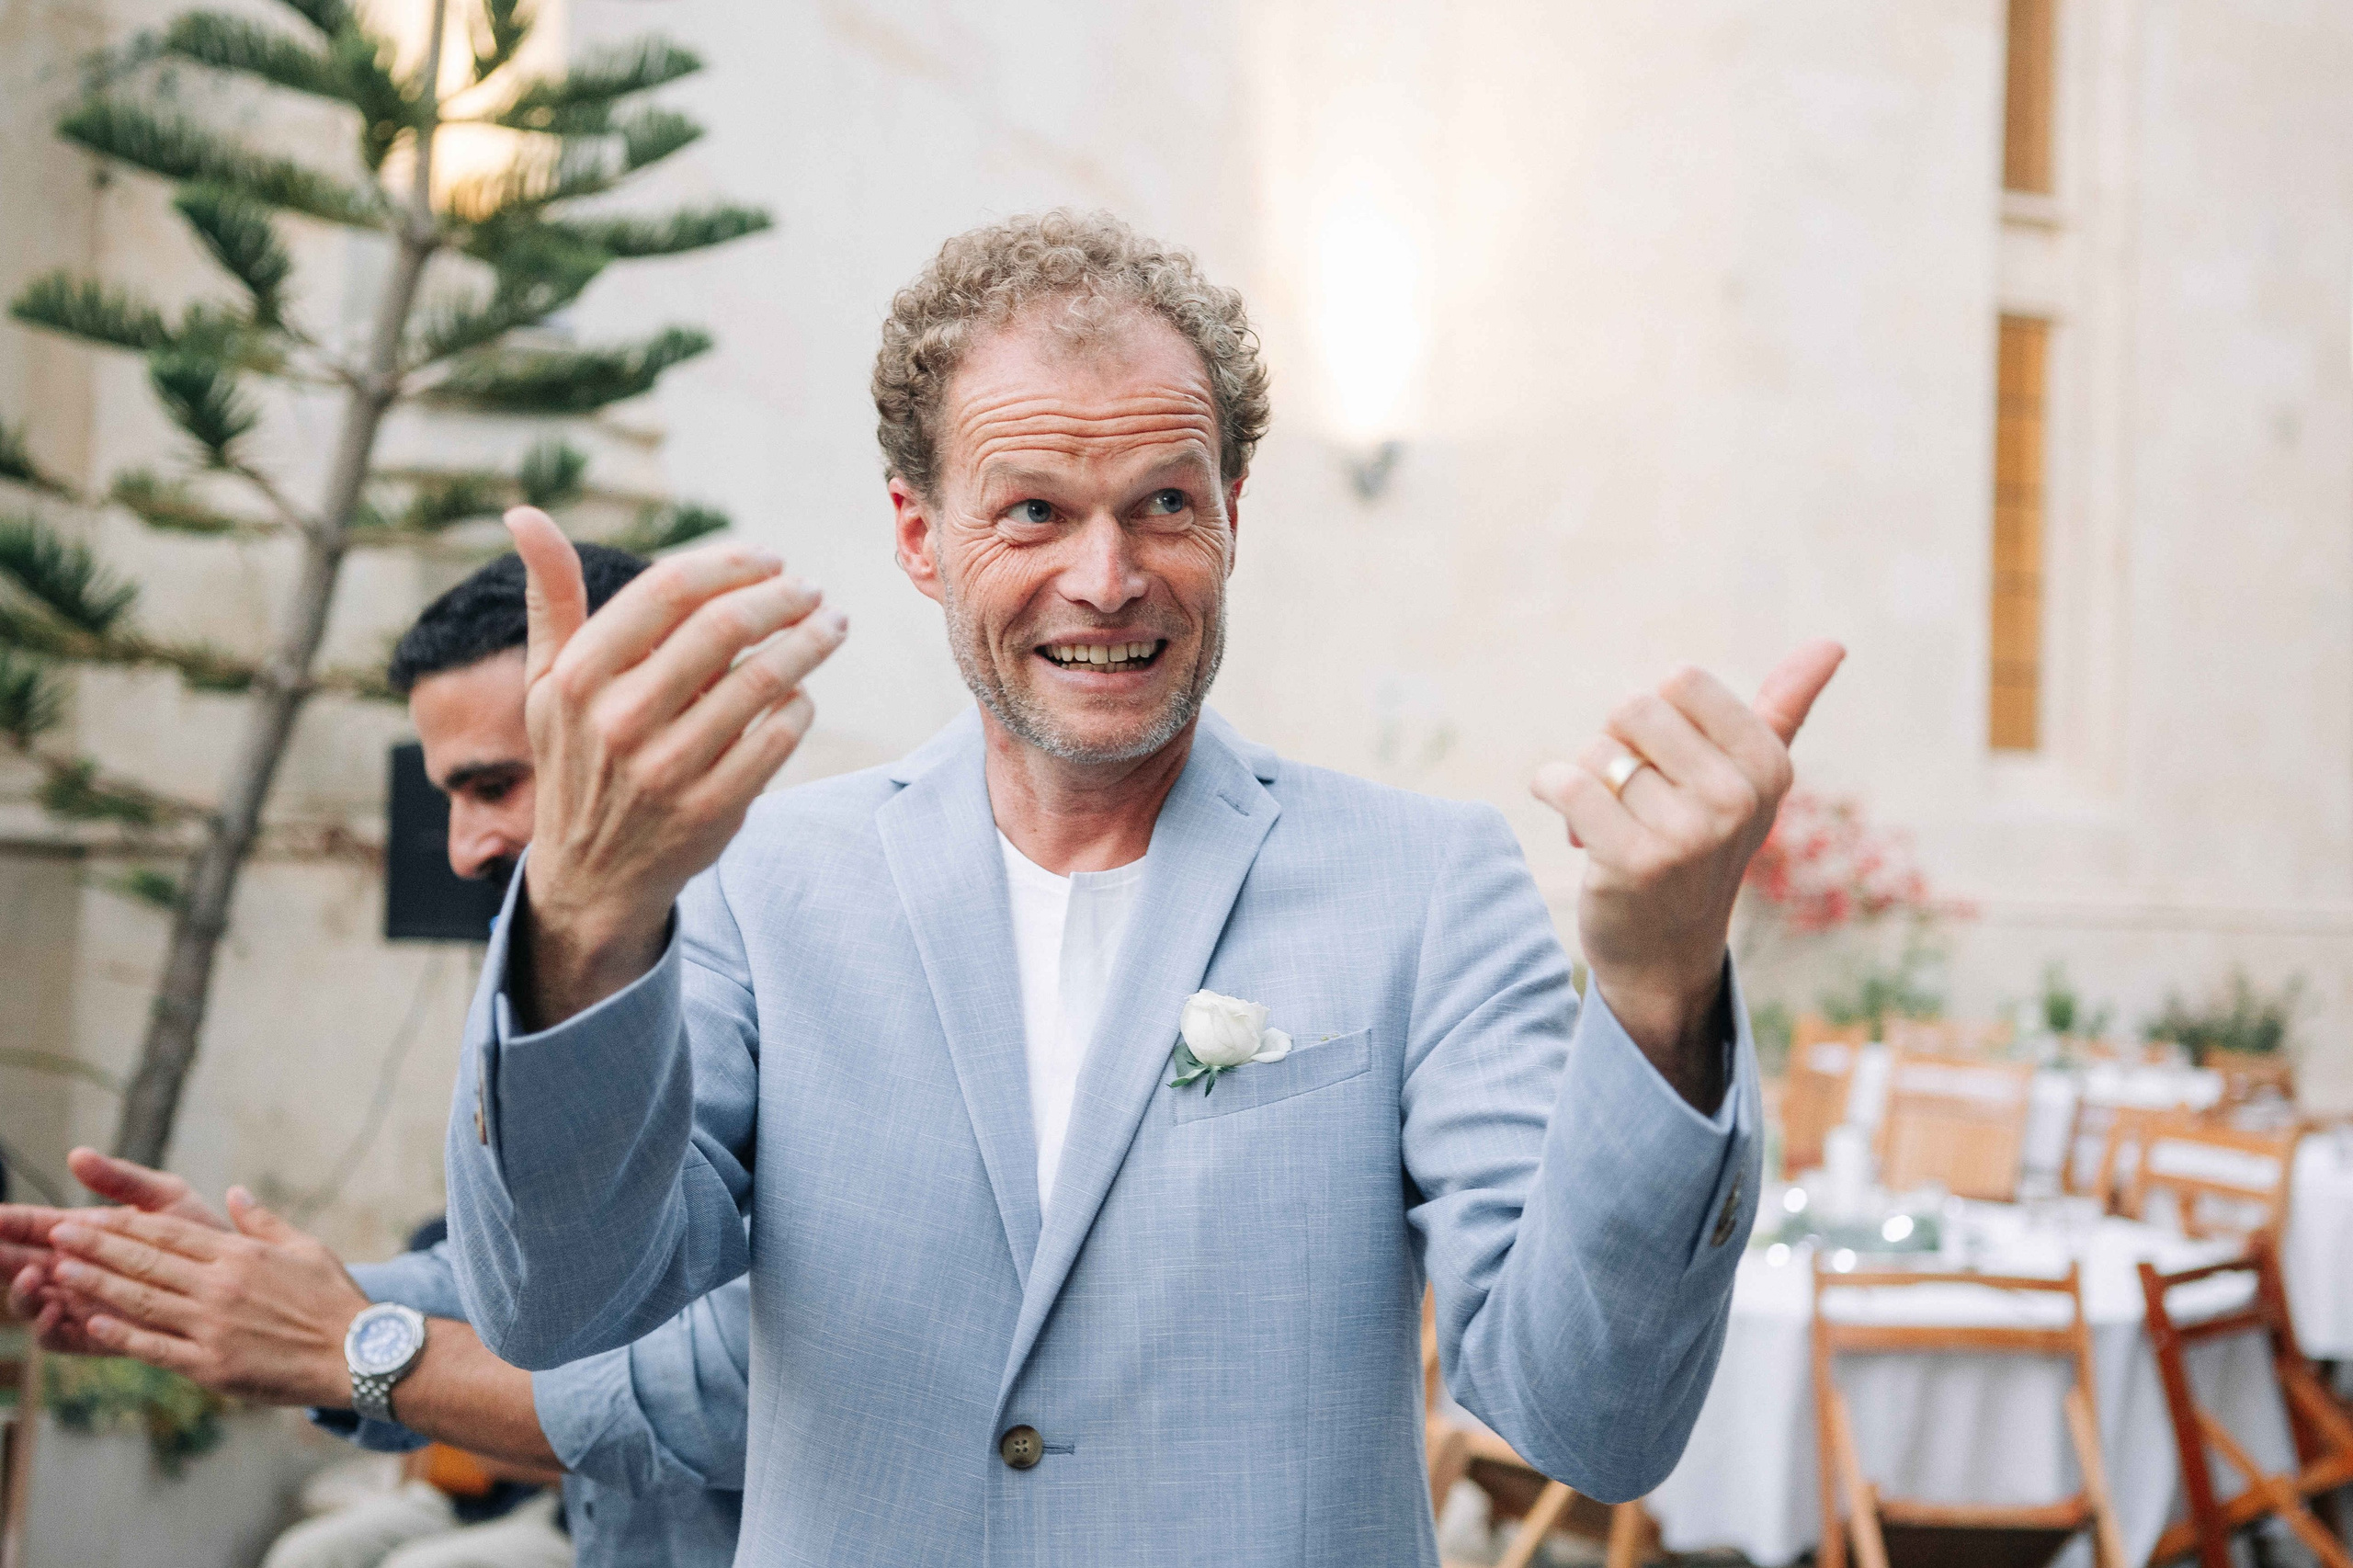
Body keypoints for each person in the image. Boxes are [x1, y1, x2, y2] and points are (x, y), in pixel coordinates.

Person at [472, 210, 1835, 1563]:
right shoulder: (758, 886)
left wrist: (1662, 990)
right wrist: (584, 916)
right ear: (920, 533)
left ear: (1233, 517)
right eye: (1035, 512)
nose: (1108, 578)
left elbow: (1590, 1420)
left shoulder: (1428, 885)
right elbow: (562, 1297)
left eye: (1165, 504)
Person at [1, 547, 749, 1568]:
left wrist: (336, 1345)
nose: (463, 847)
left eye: (495, 784)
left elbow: (729, 1388)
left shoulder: (812, 948)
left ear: (668, 713)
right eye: (448, 793)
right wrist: (241, 1286)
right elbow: (525, 1286)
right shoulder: (560, 965)